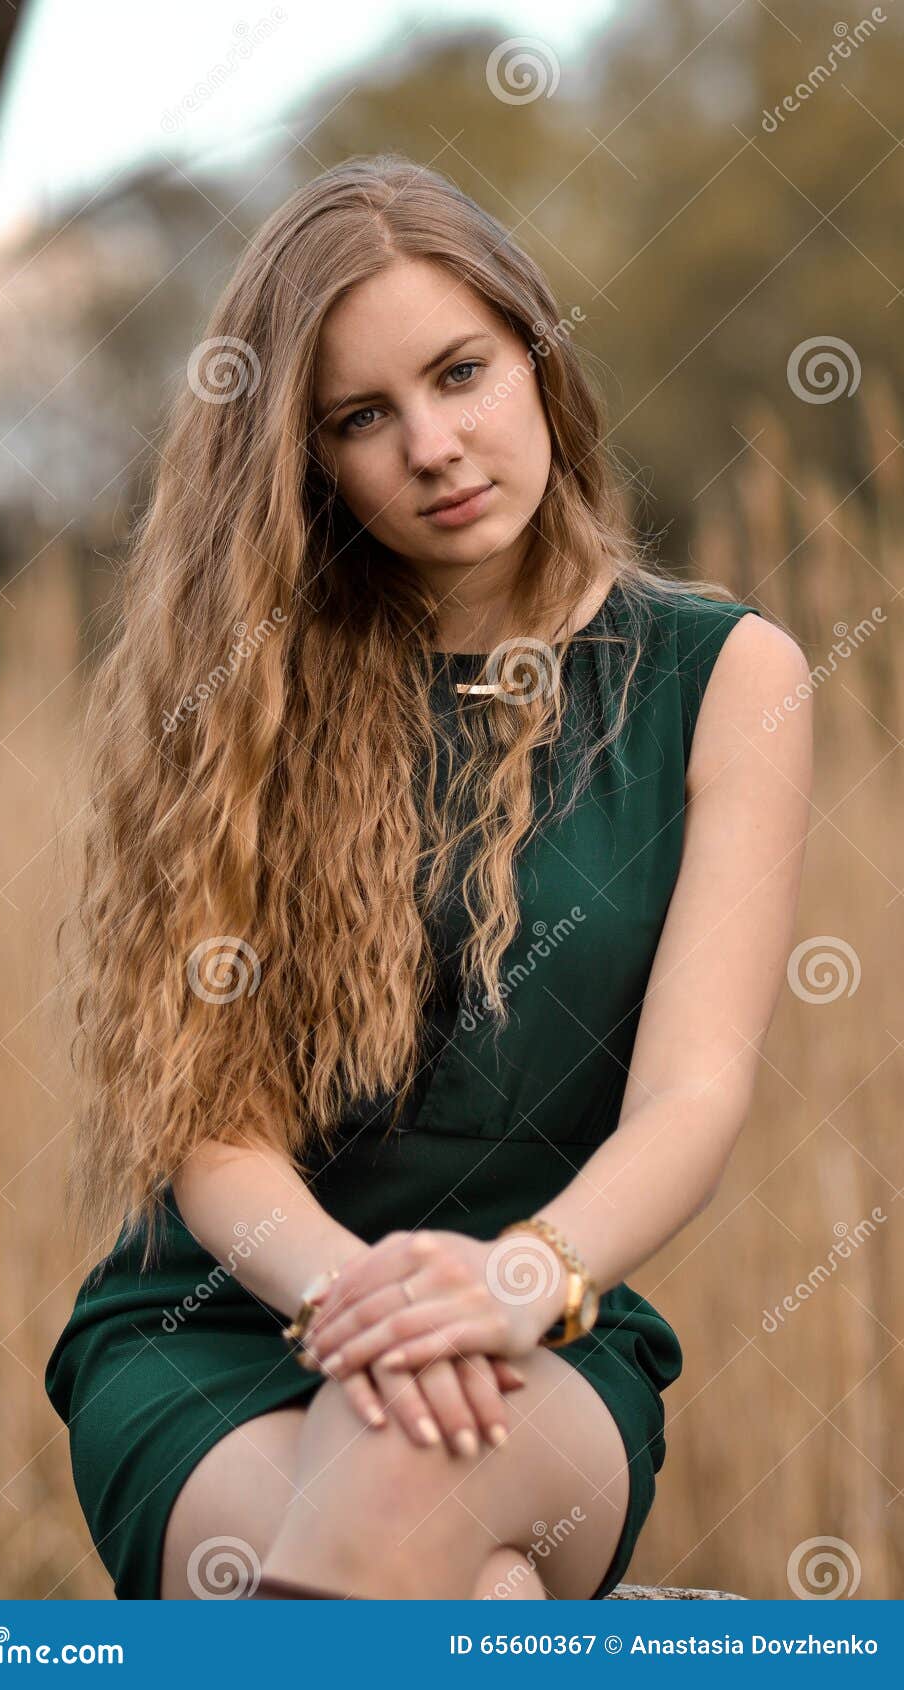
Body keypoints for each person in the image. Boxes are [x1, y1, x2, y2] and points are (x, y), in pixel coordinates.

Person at [44, 154, 812, 1602]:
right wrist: (370, 1306)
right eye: (362, 417)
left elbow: (695, 1098)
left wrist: (506, 1282)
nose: (436, 445)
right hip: (227, 1319)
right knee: (476, 1598)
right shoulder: (247, 690)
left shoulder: (728, 678)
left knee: (400, 1479)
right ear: (306, 455)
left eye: (462, 373)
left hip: (552, 1318)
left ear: (536, 352)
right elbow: (215, 1129)